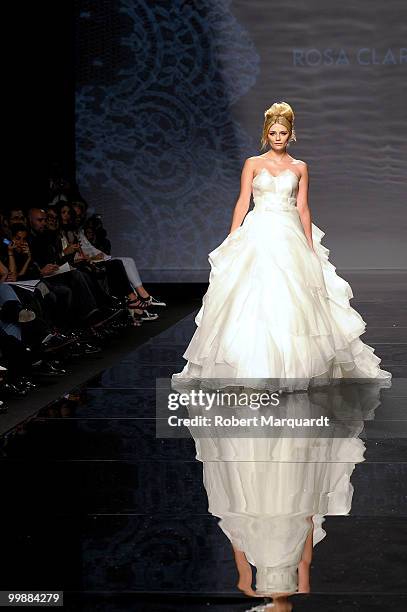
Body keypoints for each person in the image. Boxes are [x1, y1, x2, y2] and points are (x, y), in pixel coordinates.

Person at [171, 101, 392, 392]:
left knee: (295, 297)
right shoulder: (253, 163)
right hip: (258, 231)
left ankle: (297, 366)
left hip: (290, 234)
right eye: (273, 132)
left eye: (283, 133)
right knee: (252, 295)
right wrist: (232, 237)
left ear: (291, 134)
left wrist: (311, 249)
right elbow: (242, 201)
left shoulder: (300, 167)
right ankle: (252, 364)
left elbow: (303, 208)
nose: (278, 137)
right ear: (266, 133)